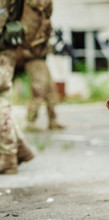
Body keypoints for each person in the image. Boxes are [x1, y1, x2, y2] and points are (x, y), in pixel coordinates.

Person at [16, 0, 64, 131]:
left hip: (39, 54)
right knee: (40, 87)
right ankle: (30, 121)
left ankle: (52, 120)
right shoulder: (31, 8)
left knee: (50, 89)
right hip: (31, 55)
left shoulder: (41, 14)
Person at [0, 0, 34, 174]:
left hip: (3, 47)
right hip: (5, 45)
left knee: (2, 103)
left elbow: (1, 14)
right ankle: (20, 149)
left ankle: (8, 159)